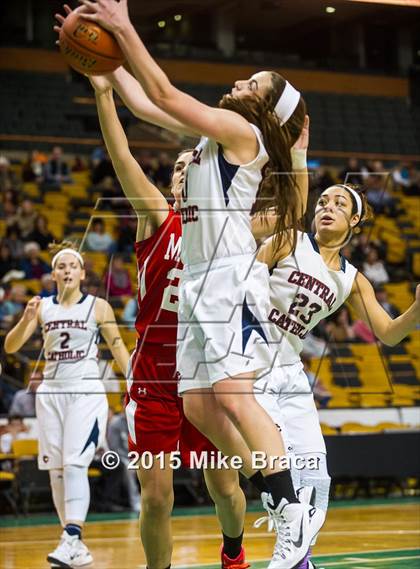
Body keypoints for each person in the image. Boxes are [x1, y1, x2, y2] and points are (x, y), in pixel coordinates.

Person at [75, 3, 323, 566]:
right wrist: (107, 73)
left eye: (253, 82)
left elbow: (163, 94)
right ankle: (274, 493)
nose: (240, 81)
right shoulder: (213, 141)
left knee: (234, 398)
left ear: (263, 108)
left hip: (229, 280)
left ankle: (291, 511)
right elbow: (147, 105)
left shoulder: (243, 134)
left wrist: (122, 29)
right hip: (196, 297)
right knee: (200, 410)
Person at [88, 72, 250, 569]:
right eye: (179, 169)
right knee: (156, 497)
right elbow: (123, 161)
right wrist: (103, 94)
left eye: (191, 167)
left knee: (224, 485)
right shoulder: (160, 217)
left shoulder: (227, 227)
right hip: (156, 376)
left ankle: (233, 552)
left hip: (206, 371)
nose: (184, 173)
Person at [254, 183, 420, 569]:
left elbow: (390, 333)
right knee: (278, 462)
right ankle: (291, 553)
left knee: (315, 473)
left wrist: (415, 313)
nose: (327, 206)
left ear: (355, 220)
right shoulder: (288, 240)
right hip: (253, 356)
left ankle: (298, 558)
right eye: (323, 201)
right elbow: (243, 286)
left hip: (291, 367)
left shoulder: (351, 279)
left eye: (339, 203)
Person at [4, 241, 130, 568]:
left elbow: (117, 347)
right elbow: (10, 345)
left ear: (83, 273)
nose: (67, 270)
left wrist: (135, 381)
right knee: (57, 471)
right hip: (51, 394)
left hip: (85, 392)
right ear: (53, 274)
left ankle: (71, 537)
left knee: (75, 464)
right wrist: (26, 317)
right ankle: (75, 544)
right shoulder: (43, 307)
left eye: (73, 265)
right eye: (61, 266)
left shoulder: (98, 307)